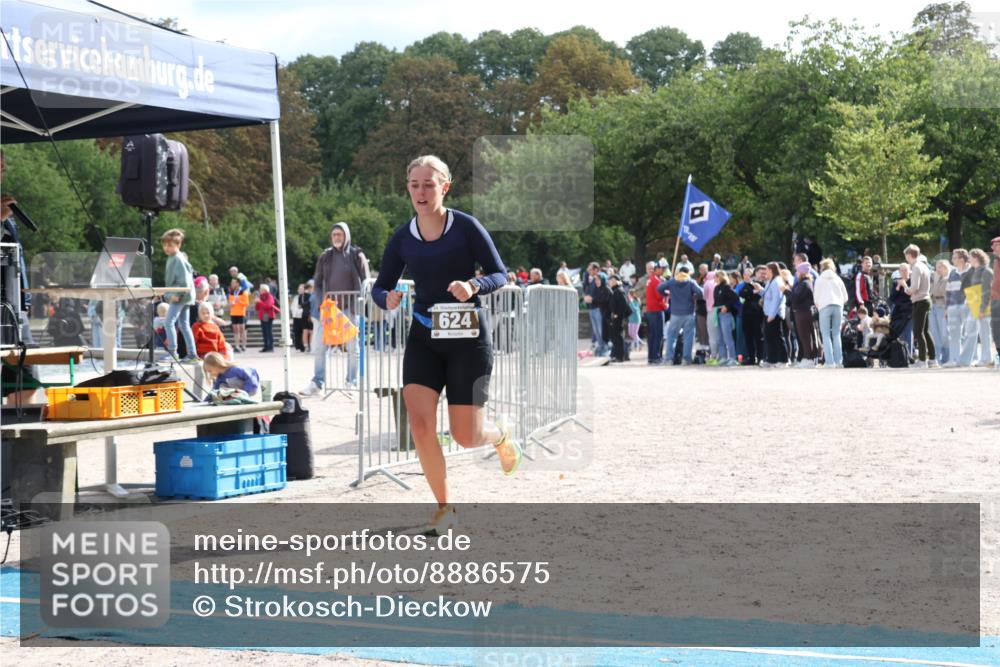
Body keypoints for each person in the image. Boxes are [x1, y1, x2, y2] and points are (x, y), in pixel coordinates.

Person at [370, 155, 522, 532]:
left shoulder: (466, 227)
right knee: (420, 426)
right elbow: (380, 284)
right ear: (408, 189)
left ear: (445, 187)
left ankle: (499, 433)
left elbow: (501, 274)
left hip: (468, 338)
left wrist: (473, 285)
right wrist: (385, 298)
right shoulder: (403, 237)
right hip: (424, 336)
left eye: (429, 184)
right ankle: (444, 507)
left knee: (466, 435)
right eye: (415, 185)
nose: (421, 192)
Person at [302, 221, 370, 396]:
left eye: (340, 234)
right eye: (334, 235)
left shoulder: (356, 255)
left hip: (350, 308)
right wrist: (320, 303)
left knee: (353, 347)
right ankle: (317, 383)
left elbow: (366, 282)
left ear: (346, 235)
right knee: (319, 346)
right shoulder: (325, 256)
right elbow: (317, 282)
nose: (337, 238)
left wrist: (360, 304)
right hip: (328, 309)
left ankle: (351, 382)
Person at [160, 228, 197, 362]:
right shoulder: (173, 258)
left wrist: (176, 294)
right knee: (184, 325)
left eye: (170, 245)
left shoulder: (177, 259)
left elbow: (184, 281)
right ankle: (192, 354)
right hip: (184, 295)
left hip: (181, 295)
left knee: (169, 322)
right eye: (164, 245)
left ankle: (173, 352)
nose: (166, 248)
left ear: (178, 245)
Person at [659, 266, 703, 364]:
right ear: (688, 273)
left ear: (678, 272)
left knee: (671, 337)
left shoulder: (672, 281)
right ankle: (686, 359)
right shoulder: (690, 282)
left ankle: (669, 359)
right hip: (689, 313)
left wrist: (667, 293)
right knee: (688, 337)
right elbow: (700, 292)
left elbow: (659, 288)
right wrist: (694, 296)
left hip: (675, 313)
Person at [902, 245, 934, 368]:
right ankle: (932, 358)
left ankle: (922, 360)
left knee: (918, 331)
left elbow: (913, 288)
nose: (906, 258)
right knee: (926, 331)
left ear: (909, 255)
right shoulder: (924, 266)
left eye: (906, 256)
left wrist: (905, 287)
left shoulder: (915, 267)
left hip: (920, 301)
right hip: (926, 299)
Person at [813, 258, 849, 368]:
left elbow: (816, 297)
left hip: (824, 306)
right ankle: (839, 361)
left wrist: (819, 306)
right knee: (836, 334)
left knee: (826, 334)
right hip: (838, 306)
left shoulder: (819, 279)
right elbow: (845, 297)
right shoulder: (838, 279)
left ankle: (829, 362)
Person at [943, 249, 971, 367]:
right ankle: (954, 359)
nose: (952, 260)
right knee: (954, 335)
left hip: (967, 306)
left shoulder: (971, 271)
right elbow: (948, 292)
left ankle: (968, 360)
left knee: (969, 334)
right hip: (953, 308)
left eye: (954, 257)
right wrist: (947, 308)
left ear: (961, 259)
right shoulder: (952, 273)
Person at [968, 248, 994, 366]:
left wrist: (983, 309)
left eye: (970, 257)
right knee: (982, 334)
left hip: (984, 308)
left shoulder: (986, 271)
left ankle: (986, 359)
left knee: (985, 334)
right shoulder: (976, 271)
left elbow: (987, 292)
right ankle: (984, 358)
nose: (968, 259)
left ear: (977, 258)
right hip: (977, 307)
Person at [789, 263, 818, 367]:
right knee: (804, 336)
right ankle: (808, 358)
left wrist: (787, 291)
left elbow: (795, 298)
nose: (796, 273)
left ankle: (809, 358)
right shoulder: (805, 282)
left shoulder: (805, 283)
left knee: (805, 336)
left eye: (797, 271)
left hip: (804, 313)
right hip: (803, 312)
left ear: (802, 272)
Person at [738, 266, 767, 366]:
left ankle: (760, 358)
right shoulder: (751, 283)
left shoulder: (766, 284)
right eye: (761, 273)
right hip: (747, 314)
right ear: (756, 273)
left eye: (764, 273)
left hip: (759, 315)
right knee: (748, 337)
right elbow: (741, 293)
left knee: (759, 337)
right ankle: (751, 358)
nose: (763, 275)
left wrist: (757, 292)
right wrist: (752, 292)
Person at [761, 262, 787, 367]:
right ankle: (771, 359)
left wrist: (772, 314)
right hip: (768, 313)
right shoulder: (770, 281)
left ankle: (783, 360)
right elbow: (768, 294)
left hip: (774, 314)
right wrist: (760, 291)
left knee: (777, 337)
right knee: (768, 337)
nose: (765, 272)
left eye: (766, 270)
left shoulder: (777, 281)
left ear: (771, 270)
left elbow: (777, 299)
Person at [713, 270, 739, 366]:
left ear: (719, 277)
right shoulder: (716, 288)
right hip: (718, 314)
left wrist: (727, 306)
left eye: (715, 276)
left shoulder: (726, 287)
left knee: (728, 337)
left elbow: (735, 297)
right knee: (720, 338)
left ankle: (732, 357)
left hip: (726, 315)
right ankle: (723, 357)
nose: (714, 278)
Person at [929, 259, 951, 366]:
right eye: (937, 266)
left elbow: (948, 295)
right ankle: (936, 358)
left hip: (943, 306)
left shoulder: (948, 279)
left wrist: (947, 309)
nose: (938, 269)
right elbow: (931, 291)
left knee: (944, 334)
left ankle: (946, 358)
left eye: (941, 266)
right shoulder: (935, 278)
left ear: (946, 268)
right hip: (933, 306)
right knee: (934, 333)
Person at [583, 262, 607, 356]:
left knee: (601, 330)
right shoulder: (591, 279)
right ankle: (601, 348)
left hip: (598, 308)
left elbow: (602, 293)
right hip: (592, 307)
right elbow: (587, 290)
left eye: (591, 270)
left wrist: (593, 299)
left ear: (596, 269)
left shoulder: (601, 277)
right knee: (596, 331)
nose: (589, 271)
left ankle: (604, 348)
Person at [644, 263, 666, 364]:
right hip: (656, 310)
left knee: (652, 335)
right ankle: (656, 357)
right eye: (662, 269)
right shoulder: (656, 281)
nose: (663, 271)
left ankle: (651, 357)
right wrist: (665, 304)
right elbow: (659, 296)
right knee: (658, 334)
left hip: (650, 310)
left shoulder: (650, 280)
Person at [607, 275, 630, 362]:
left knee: (618, 337)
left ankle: (620, 357)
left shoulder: (619, 290)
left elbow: (623, 305)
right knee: (615, 337)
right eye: (610, 280)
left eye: (613, 280)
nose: (610, 282)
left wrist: (617, 314)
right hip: (616, 317)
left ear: (617, 281)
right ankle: (617, 355)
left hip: (619, 318)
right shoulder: (615, 290)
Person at [254, 283, 279, 352]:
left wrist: (260, 302)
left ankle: (270, 347)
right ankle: (266, 346)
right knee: (264, 331)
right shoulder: (261, 297)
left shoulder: (269, 296)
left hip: (268, 315)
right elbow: (257, 308)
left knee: (268, 331)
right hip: (263, 316)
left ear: (265, 290)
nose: (259, 290)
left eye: (261, 289)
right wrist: (257, 303)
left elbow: (268, 305)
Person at [228, 278, 250, 353]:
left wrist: (239, 301)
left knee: (242, 329)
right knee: (235, 330)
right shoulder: (231, 292)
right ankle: (236, 346)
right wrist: (231, 304)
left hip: (241, 313)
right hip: (233, 313)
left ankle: (243, 345)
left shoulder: (244, 292)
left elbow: (246, 303)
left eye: (233, 283)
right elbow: (230, 302)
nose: (232, 284)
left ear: (238, 283)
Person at [991, 237, 1000, 366]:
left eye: (995, 245)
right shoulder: (996, 262)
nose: (992, 248)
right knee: (996, 329)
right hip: (996, 299)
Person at [627, 287, 642, 352]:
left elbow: (634, 309)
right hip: (631, 319)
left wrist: (631, 302)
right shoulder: (630, 301)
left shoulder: (636, 301)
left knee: (634, 333)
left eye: (629, 295)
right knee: (631, 333)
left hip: (636, 319)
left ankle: (638, 345)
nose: (628, 296)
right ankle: (640, 342)